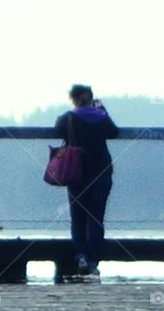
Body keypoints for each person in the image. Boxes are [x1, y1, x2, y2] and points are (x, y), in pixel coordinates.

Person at [55, 84, 118, 277]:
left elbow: (58, 130)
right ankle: (93, 261)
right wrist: (102, 109)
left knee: (78, 219)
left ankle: (80, 255)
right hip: (101, 173)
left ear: (73, 99)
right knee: (96, 220)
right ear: (91, 98)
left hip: (76, 174)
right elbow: (113, 132)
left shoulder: (68, 118)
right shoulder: (101, 117)